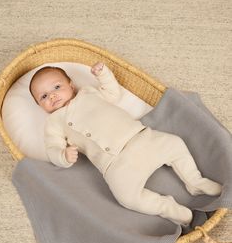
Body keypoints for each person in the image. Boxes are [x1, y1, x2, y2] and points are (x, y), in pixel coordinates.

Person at [29, 62, 222, 225]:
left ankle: (194, 181)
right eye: (44, 96)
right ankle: (167, 208)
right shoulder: (54, 123)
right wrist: (63, 156)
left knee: (174, 144)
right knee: (127, 198)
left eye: (56, 87)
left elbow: (113, 93)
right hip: (114, 165)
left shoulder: (88, 93)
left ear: (71, 86)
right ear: (39, 105)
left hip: (140, 138)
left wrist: (102, 75)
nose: (52, 96)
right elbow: (52, 148)